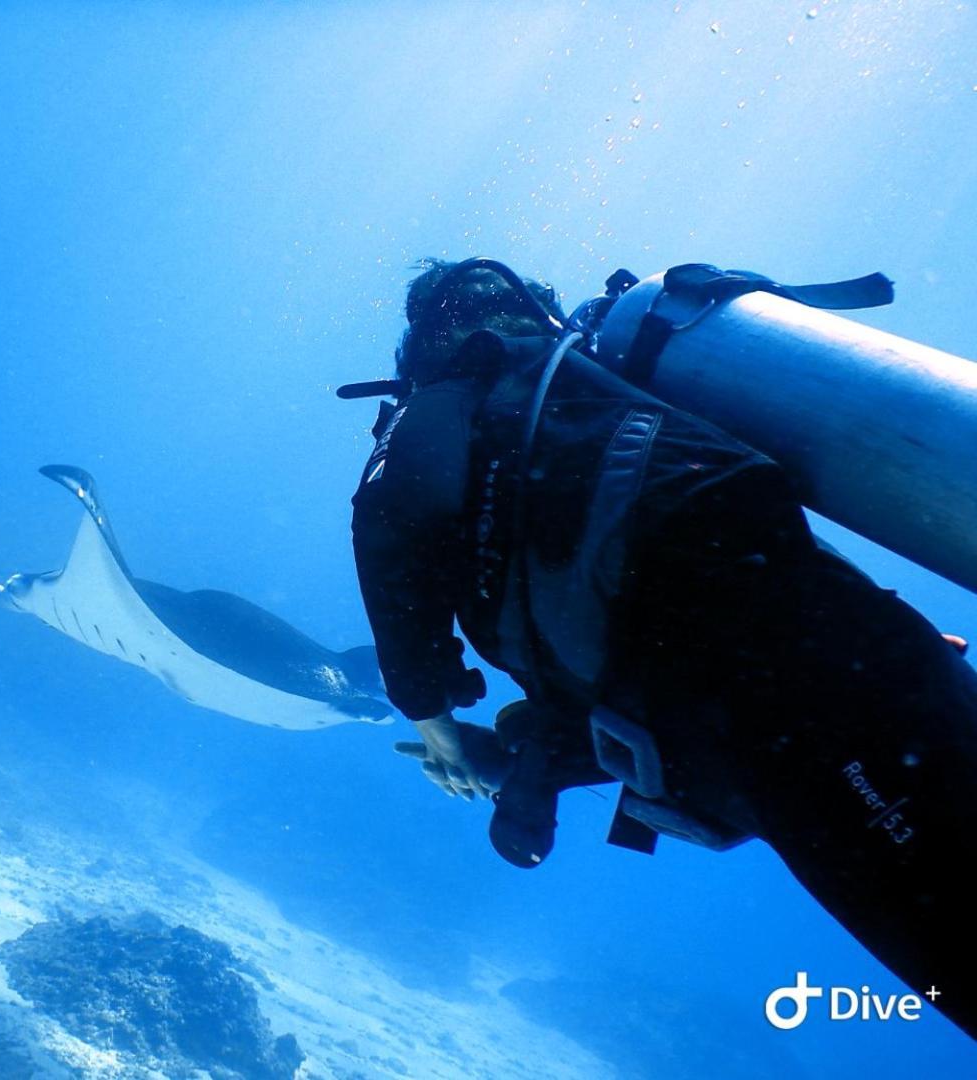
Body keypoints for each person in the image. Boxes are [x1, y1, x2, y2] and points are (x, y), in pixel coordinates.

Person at [346, 256, 977, 1039]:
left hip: (799, 714)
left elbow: (389, 515)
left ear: (429, 342)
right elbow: (643, 646)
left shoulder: (459, 400)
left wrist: (432, 719)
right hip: (840, 681)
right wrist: (518, 760)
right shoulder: (573, 416)